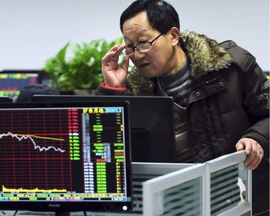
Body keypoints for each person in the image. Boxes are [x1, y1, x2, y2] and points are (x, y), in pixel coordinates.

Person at [96, 0, 269, 215]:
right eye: (130, 47)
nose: (137, 54)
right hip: (174, 205)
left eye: (143, 42)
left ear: (174, 35)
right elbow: (103, 153)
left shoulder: (231, 66)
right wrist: (113, 90)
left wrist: (257, 137)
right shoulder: (133, 91)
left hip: (243, 199)